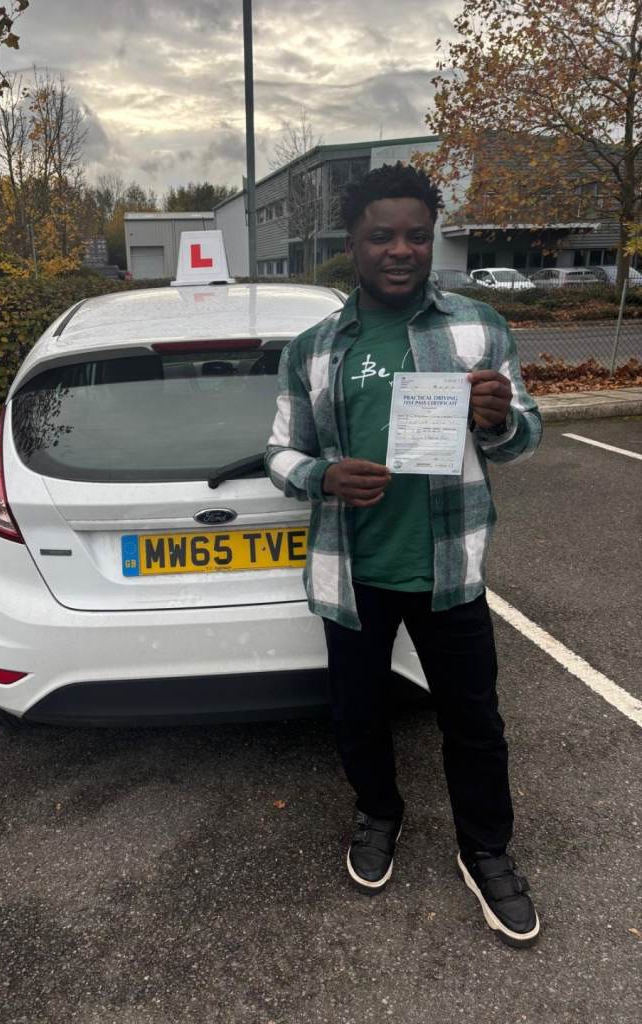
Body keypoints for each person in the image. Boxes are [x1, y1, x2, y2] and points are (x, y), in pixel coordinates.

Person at [266, 162, 542, 948]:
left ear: (431, 240)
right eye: (381, 236)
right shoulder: (313, 350)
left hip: (449, 571)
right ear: (352, 244)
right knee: (358, 715)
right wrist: (324, 477)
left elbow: (525, 437)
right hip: (353, 575)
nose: (400, 250)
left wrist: (499, 420)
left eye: (417, 236)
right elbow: (280, 453)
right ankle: (378, 814)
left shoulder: (479, 329)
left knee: (475, 722)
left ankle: (485, 849)